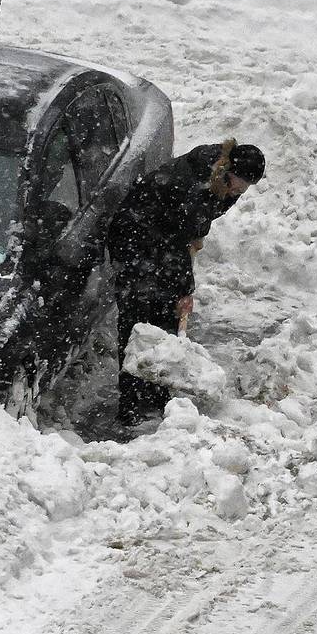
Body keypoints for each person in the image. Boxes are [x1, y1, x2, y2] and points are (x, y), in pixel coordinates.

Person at [108, 139, 265, 425]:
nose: (238, 192)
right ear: (226, 168)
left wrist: (198, 231)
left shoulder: (221, 178)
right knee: (138, 325)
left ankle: (156, 397)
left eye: (244, 189)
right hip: (136, 241)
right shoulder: (188, 187)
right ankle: (132, 407)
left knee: (164, 321)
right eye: (237, 185)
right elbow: (173, 243)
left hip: (165, 241)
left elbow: (193, 228)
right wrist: (184, 290)